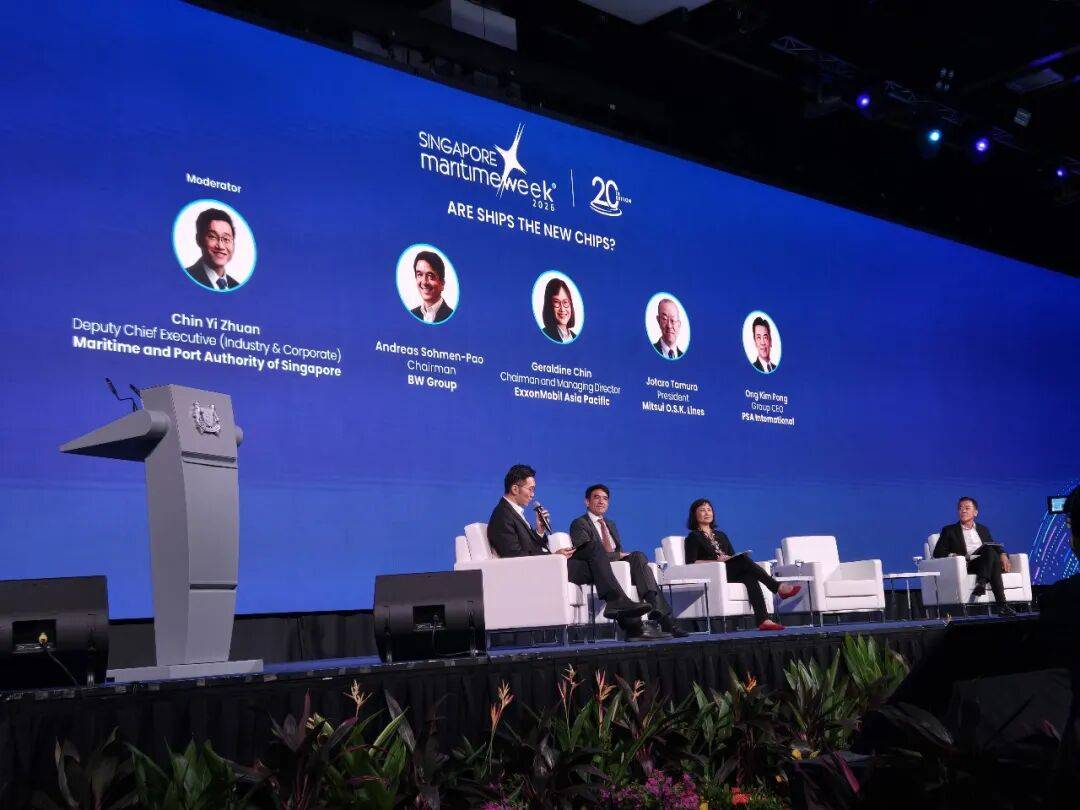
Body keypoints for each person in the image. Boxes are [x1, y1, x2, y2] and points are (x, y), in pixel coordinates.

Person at [487, 465, 661, 640]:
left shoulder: (515, 512)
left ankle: (626, 616)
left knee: (594, 551)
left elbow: (531, 547)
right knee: (597, 559)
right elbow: (515, 558)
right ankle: (631, 622)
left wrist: (540, 531)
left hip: (549, 564)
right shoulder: (502, 515)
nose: (533, 494)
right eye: (530, 489)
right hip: (541, 570)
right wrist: (553, 557)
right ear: (515, 488)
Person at [569, 484, 688, 638]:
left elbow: (617, 550)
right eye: (596, 497)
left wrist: (620, 557)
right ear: (587, 501)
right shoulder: (579, 523)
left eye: (605, 499)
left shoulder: (610, 524)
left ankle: (657, 609)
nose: (601, 501)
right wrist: (618, 556)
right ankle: (661, 622)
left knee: (638, 556)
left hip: (617, 565)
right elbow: (588, 552)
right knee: (631, 558)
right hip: (597, 568)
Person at [683, 498, 801, 631]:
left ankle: (764, 620)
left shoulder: (721, 535)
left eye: (709, 510)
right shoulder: (693, 537)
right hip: (712, 574)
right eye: (702, 510)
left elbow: (732, 556)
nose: (707, 513)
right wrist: (716, 562)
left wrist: (730, 558)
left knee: (749, 575)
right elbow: (691, 562)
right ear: (694, 515)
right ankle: (777, 587)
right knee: (743, 561)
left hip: (728, 571)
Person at [933, 496, 1015, 616]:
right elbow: (937, 553)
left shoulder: (983, 529)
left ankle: (982, 583)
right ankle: (1002, 605)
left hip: (985, 562)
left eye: (967, 508)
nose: (963, 511)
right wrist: (955, 556)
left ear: (975, 512)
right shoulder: (949, 530)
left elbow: (993, 545)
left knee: (990, 552)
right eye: (960, 508)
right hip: (968, 564)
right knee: (992, 556)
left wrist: (1003, 554)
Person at [185, 208, 240, 290]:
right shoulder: (186, 277)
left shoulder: (236, 286)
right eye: (212, 237)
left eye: (226, 239)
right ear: (199, 239)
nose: (220, 246)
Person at [409, 251, 453, 323]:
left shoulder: (452, 317)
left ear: (442, 284)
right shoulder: (411, 314)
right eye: (419, 274)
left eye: (430, 276)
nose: (424, 282)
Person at [540, 278, 577, 343]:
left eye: (565, 302)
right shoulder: (544, 335)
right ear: (549, 305)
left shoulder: (575, 337)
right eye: (556, 302)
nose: (562, 309)